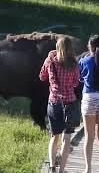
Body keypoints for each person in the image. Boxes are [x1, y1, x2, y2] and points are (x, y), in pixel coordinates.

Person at [39, 37, 80, 173]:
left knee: (54, 135)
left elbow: (42, 77)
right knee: (66, 138)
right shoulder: (74, 63)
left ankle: (52, 167)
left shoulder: (50, 61)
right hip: (70, 103)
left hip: (55, 102)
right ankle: (62, 170)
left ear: (57, 47)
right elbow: (75, 82)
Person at [79, 35, 99, 173]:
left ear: (89, 46)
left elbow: (80, 78)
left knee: (89, 136)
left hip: (89, 98)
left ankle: (88, 168)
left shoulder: (83, 61)